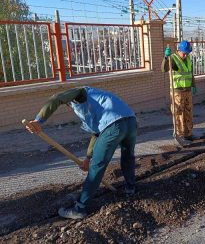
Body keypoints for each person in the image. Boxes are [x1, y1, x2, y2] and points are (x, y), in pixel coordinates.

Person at [26, 87, 137, 219]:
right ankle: (130, 188)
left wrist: (39, 120)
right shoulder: (97, 101)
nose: (69, 106)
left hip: (114, 126)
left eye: (68, 103)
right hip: (131, 121)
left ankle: (79, 208)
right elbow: (97, 134)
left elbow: (56, 98)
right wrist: (87, 159)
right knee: (127, 156)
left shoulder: (80, 93)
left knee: (98, 166)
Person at [162, 41, 197, 146]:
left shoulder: (188, 58)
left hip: (187, 90)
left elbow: (190, 73)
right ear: (179, 51)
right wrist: (166, 57)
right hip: (177, 91)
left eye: (187, 53)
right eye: (184, 53)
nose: (186, 55)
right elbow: (164, 69)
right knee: (179, 113)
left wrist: (193, 85)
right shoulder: (173, 58)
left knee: (188, 111)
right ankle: (180, 134)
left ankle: (189, 133)